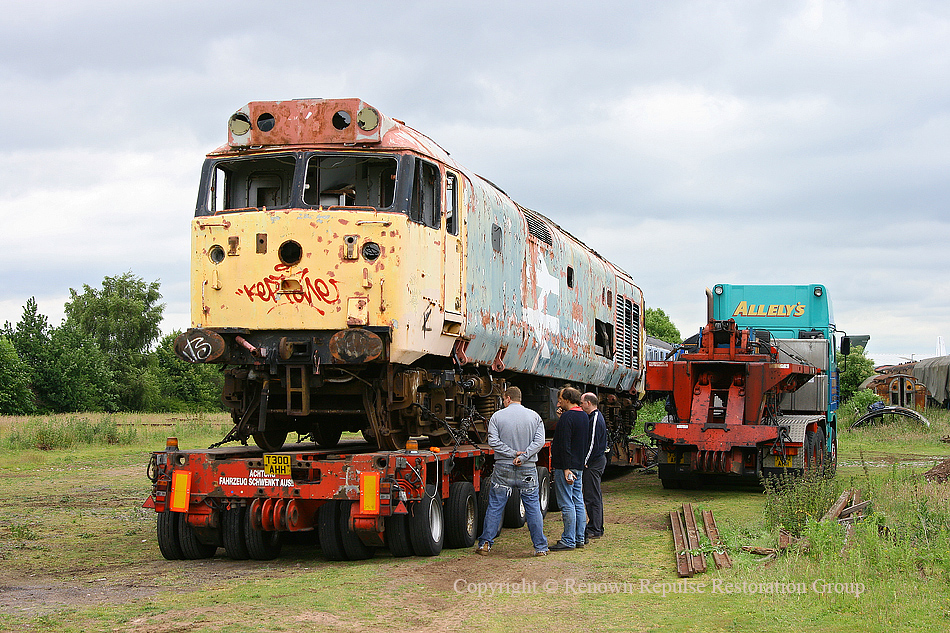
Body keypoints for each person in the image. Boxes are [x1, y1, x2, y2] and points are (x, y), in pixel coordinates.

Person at [474, 386, 549, 556]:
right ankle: (540, 547)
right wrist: (523, 457)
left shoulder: (497, 417)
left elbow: (493, 441)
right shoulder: (534, 417)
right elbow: (539, 442)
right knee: (533, 508)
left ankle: (485, 544)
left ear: (507, 398)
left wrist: (512, 453)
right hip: (528, 468)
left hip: (503, 467)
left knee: (495, 506)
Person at [549, 386, 591, 551]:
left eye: (560, 398)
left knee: (567, 502)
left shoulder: (567, 417)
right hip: (578, 465)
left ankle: (568, 539)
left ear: (567, 399)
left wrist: (566, 467)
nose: (558, 401)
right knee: (578, 501)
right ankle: (579, 537)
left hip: (566, 467)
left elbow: (565, 443)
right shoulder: (583, 416)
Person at [581, 392, 608, 541]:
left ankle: (595, 528)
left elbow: (591, 442)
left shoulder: (595, 418)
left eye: (582, 402)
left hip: (593, 462)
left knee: (592, 495)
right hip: (594, 460)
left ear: (589, 403)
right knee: (592, 495)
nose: (580, 405)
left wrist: (585, 460)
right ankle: (595, 526)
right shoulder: (592, 417)